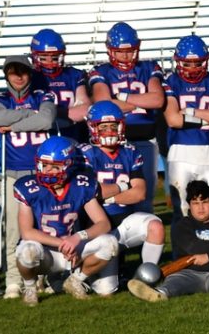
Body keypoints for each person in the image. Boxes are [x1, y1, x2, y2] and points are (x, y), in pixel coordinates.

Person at [0, 55, 57, 298]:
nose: (18, 77)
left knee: (45, 225)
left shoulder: (44, 96)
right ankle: (13, 281)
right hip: (13, 173)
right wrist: (29, 116)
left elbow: (46, 119)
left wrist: (14, 125)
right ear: (6, 74)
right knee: (13, 229)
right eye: (12, 72)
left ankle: (43, 276)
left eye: (23, 72)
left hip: (43, 172)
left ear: (30, 73)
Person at [13, 136, 117, 305]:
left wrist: (77, 237)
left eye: (54, 167)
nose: (47, 171)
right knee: (27, 250)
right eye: (43, 165)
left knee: (110, 243)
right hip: (45, 252)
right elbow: (27, 232)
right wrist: (62, 243)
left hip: (73, 250)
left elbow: (103, 223)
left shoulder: (81, 185)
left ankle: (75, 280)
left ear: (69, 166)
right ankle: (30, 287)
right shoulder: (29, 187)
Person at [80, 101, 165, 294]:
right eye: (103, 127)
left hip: (122, 222)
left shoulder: (130, 151)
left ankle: (145, 278)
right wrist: (122, 188)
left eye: (113, 126)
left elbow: (139, 193)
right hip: (96, 228)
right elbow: (91, 191)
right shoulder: (85, 153)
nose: (109, 132)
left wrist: (108, 197)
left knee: (156, 226)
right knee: (106, 290)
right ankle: (84, 274)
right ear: (93, 128)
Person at [88, 22, 164, 213]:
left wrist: (120, 99)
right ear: (109, 50)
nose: (125, 55)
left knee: (144, 198)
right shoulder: (100, 71)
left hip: (144, 140)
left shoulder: (149, 67)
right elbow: (103, 103)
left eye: (130, 51)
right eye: (120, 51)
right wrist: (140, 102)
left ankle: (142, 237)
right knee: (110, 198)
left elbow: (157, 99)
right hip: (111, 142)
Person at [163, 35, 209, 214]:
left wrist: (191, 112)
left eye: (197, 63)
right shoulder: (170, 80)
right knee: (183, 209)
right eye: (187, 63)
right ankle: (185, 243)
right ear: (178, 61)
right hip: (180, 152)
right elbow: (174, 120)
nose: (192, 68)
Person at [29, 28, 90, 141]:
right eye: (43, 58)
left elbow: (85, 111)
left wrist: (50, 112)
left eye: (55, 57)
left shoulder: (74, 75)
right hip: (39, 138)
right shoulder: (29, 77)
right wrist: (69, 113)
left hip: (71, 136)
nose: (50, 62)